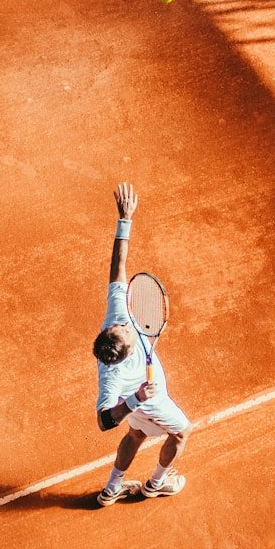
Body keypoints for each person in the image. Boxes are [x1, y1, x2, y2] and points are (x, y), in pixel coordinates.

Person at [92, 183, 192, 507]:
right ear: (125, 353)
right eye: (128, 333)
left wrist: (125, 219)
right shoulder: (112, 377)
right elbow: (105, 421)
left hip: (138, 405)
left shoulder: (116, 317)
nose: (128, 325)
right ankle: (156, 484)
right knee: (181, 432)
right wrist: (136, 400)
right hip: (149, 402)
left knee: (136, 434)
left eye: (123, 326)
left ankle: (111, 490)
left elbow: (117, 268)